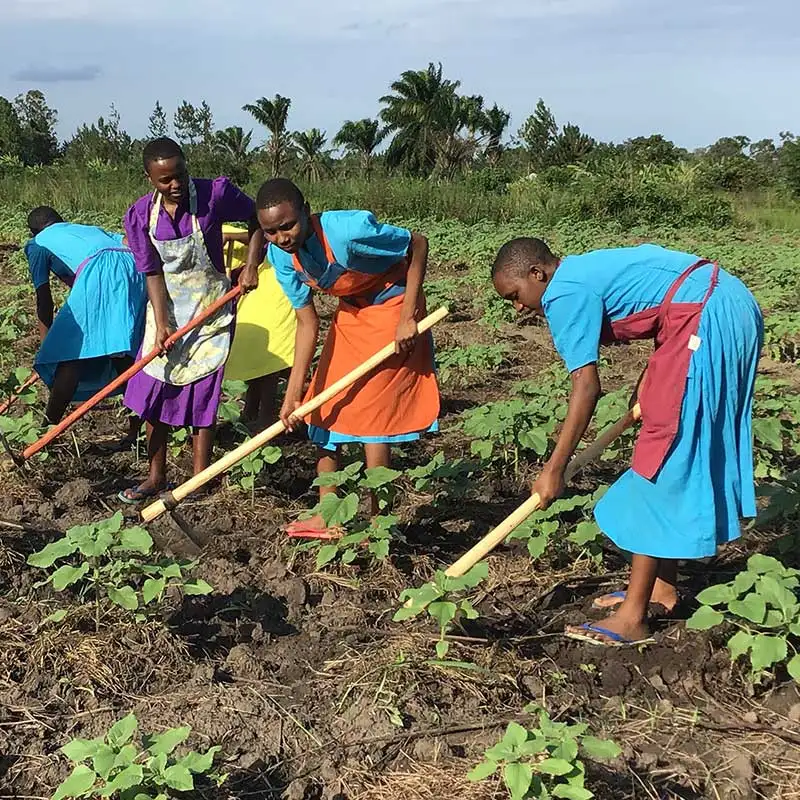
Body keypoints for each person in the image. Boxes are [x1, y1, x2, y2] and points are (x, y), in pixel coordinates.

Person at [491, 239, 763, 647]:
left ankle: (633, 616)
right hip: (712, 309)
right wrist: (651, 378)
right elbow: (666, 304)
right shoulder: (580, 271)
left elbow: (585, 388)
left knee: (663, 453)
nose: (517, 307)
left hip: (707, 318)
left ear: (537, 274)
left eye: (515, 295)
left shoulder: (564, 291)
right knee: (669, 439)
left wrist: (554, 469)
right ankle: (661, 588)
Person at [241, 178, 439, 535]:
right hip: (353, 314)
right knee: (322, 408)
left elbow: (418, 244)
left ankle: (381, 522)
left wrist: (409, 316)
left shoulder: (347, 230)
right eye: (271, 232)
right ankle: (327, 514)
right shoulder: (281, 258)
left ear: (306, 210)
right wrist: (293, 395)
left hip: (394, 307)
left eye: (288, 225)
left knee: (372, 416)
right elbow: (306, 323)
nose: (282, 237)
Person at [119, 137, 261, 503]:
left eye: (179, 174)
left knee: (202, 393)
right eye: (165, 179)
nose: (175, 184)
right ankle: (156, 475)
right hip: (166, 311)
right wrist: (162, 324)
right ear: (150, 178)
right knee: (155, 389)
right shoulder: (139, 216)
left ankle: (200, 478)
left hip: (210, 309)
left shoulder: (214, 194)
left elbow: (256, 216)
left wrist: (250, 264)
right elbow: (152, 272)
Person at [24, 206, 146, 439]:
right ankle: (137, 432)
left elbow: (44, 298)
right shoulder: (87, 229)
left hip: (100, 271)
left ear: (33, 231)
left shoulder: (37, 243)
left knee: (71, 356)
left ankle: (46, 433)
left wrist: (48, 349)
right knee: (123, 355)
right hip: (134, 269)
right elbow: (127, 242)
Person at [221, 224, 296, 431]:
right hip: (254, 298)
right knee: (255, 356)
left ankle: (266, 420)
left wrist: (229, 236)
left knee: (270, 360)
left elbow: (261, 235)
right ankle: (250, 413)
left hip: (276, 292)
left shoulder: (275, 236)